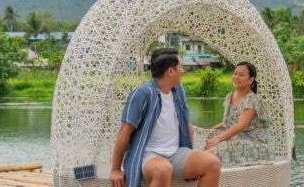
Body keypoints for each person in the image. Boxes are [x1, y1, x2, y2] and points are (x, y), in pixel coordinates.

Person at [110, 48, 221, 187]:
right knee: (163, 169)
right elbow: (124, 131)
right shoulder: (142, 94)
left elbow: (186, 123)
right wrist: (115, 169)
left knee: (212, 163)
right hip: (147, 155)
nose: (183, 70)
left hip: (175, 153)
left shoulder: (178, 90)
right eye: (181, 66)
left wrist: (191, 163)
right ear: (170, 71)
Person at [204, 61, 272, 167]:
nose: (236, 77)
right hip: (235, 139)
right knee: (204, 148)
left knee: (213, 152)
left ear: (251, 80)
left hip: (254, 144)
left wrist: (217, 138)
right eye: (235, 73)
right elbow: (228, 123)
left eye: (241, 75)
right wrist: (211, 131)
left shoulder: (253, 99)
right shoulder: (229, 97)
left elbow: (241, 125)